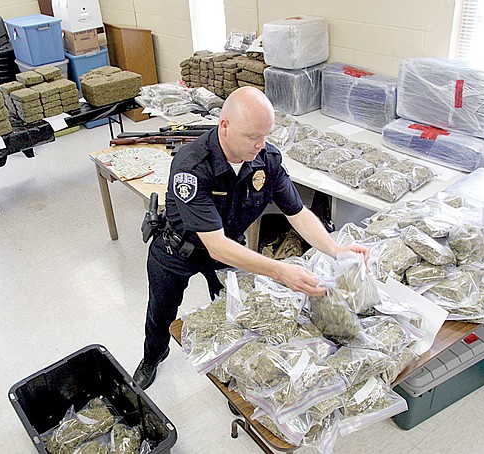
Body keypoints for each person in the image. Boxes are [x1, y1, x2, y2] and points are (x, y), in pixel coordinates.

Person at [133, 86, 369, 389]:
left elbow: (297, 213)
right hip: (177, 251)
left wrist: (336, 250)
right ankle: (153, 355)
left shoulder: (266, 160)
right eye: (252, 136)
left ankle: (235, 374)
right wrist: (281, 271)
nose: (260, 144)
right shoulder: (192, 166)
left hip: (231, 248)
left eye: (265, 135)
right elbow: (214, 245)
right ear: (225, 126)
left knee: (237, 313)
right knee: (161, 311)